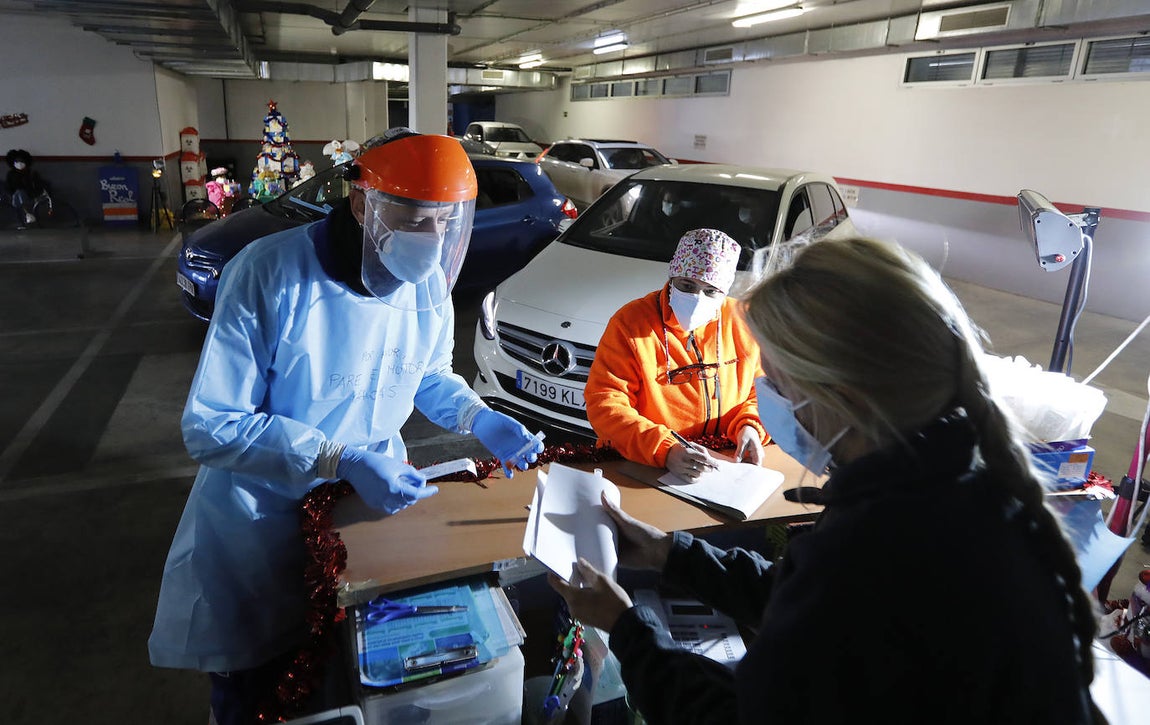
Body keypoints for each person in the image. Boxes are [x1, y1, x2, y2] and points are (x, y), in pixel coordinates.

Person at [553, 236, 1104, 724]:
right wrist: (670, 552)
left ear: (839, 395)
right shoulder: (959, 487)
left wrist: (626, 628)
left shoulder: (875, 546)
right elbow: (800, 593)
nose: (771, 401)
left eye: (778, 384)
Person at [148, 128, 544, 725]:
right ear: (363, 203)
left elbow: (428, 373)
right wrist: (342, 457)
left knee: (349, 672)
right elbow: (212, 425)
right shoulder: (269, 274)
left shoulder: (429, 282)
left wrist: (479, 416)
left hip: (365, 511)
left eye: (447, 221)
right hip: (262, 519)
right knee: (256, 685)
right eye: (416, 216)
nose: (433, 239)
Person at [584, 228, 768, 481]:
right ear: (672, 277)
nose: (696, 298)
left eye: (710, 291)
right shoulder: (631, 323)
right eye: (687, 285)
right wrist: (664, 449)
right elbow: (605, 402)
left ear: (724, 291)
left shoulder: (741, 321)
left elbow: (761, 391)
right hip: (642, 465)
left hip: (723, 465)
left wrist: (750, 426)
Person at [5, 148, 46, 228]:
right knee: (17, 195)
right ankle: (26, 216)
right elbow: (9, 185)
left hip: (29, 194)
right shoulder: (11, 174)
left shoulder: (30, 173)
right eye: (17, 161)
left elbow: (35, 184)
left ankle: (27, 214)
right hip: (14, 195)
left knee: (19, 194)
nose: (19, 163)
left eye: (21, 161)